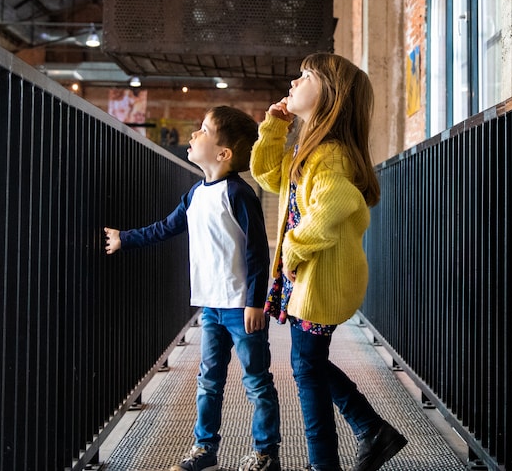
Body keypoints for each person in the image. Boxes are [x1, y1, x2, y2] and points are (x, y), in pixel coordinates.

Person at [252, 53, 408, 471]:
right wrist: (274, 126)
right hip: (308, 277)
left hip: (320, 277)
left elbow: (335, 203)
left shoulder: (332, 154)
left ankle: (327, 461)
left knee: (306, 369)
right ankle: (371, 430)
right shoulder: (308, 148)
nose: (294, 81)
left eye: (305, 76)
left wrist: (294, 248)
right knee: (310, 363)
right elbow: (266, 175)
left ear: (330, 96)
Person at [104, 105, 281, 471]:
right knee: (209, 380)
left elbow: (257, 252)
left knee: (256, 381)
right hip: (211, 307)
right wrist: (125, 238)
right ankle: (205, 449)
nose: (194, 135)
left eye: (203, 130)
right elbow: (165, 228)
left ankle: (266, 453)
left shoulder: (239, 194)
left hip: (239, 307)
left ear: (223, 153)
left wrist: (255, 303)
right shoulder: (196, 193)